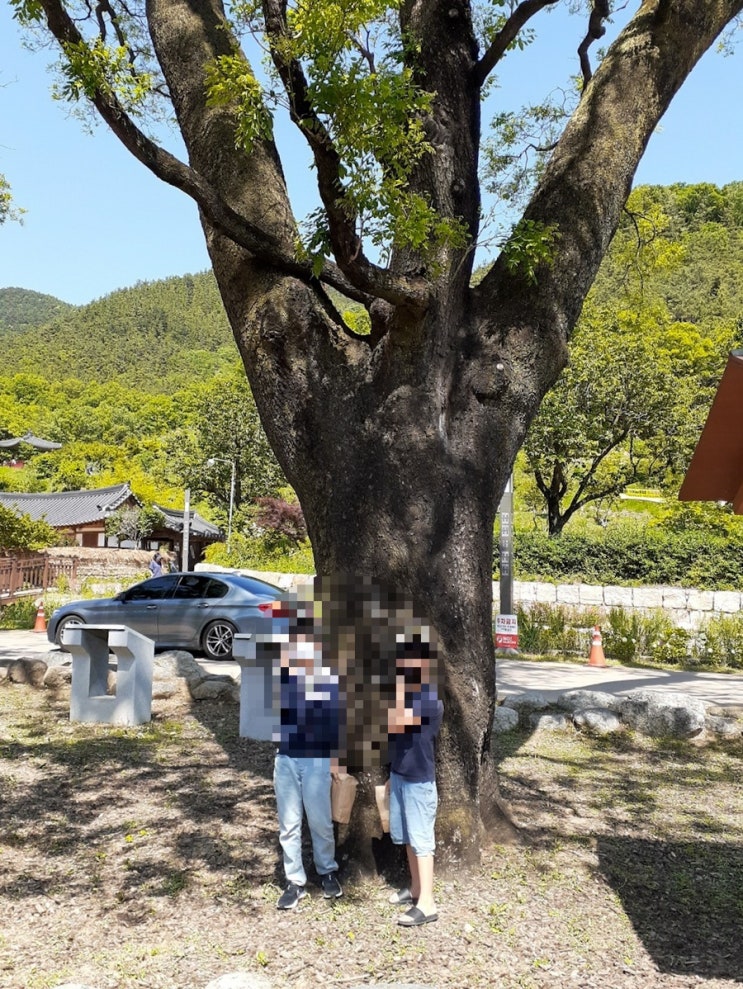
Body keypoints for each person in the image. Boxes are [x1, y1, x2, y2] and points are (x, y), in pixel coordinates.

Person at [273, 614, 344, 910]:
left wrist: (336, 761)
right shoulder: (284, 674)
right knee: (288, 824)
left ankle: (327, 871)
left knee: (320, 821)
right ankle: (295, 882)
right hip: (286, 757)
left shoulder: (326, 677)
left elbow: (336, 721)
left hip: (317, 758)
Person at [386, 637, 444, 927]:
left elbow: (393, 721)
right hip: (399, 775)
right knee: (407, 837)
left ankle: (428, 903)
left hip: (419, 782)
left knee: (422, 841)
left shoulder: (428, 699)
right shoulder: (407, 694)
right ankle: (416, 887)